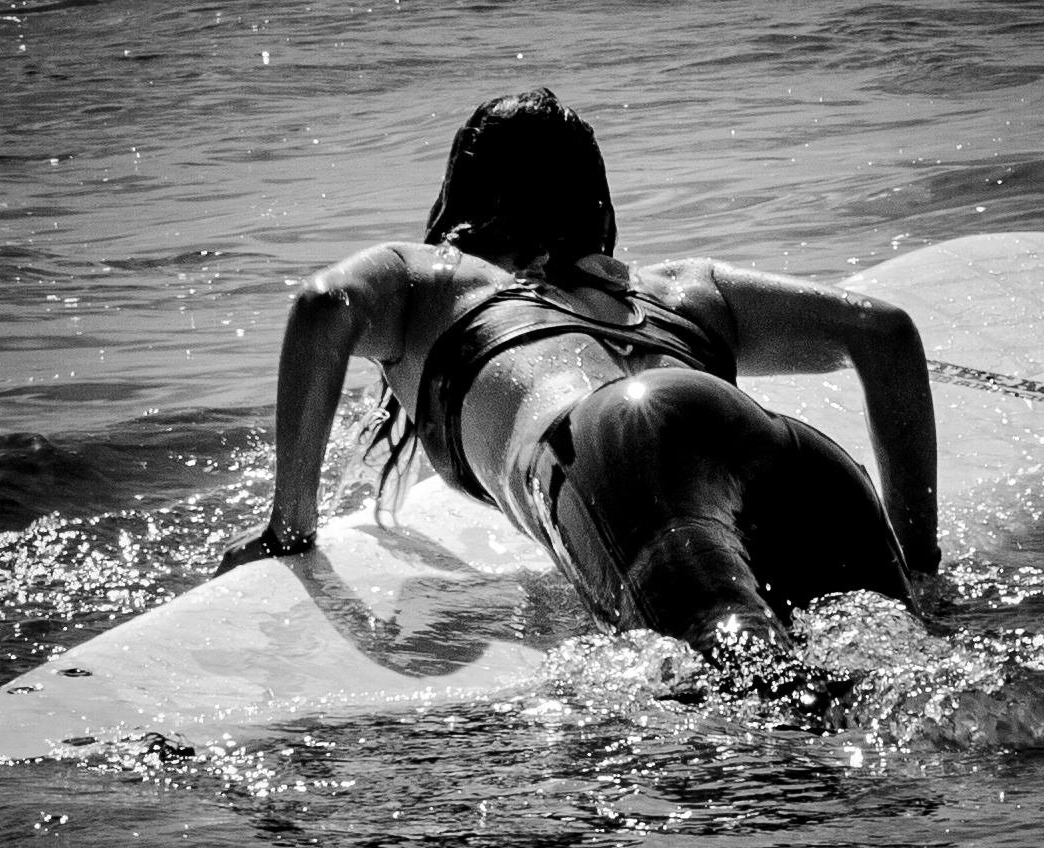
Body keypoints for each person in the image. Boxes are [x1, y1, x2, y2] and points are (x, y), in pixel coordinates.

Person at [217, 87, 939, 662]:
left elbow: (320, 306)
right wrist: (918, 558)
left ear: (460, 197)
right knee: (913, 663)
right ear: (595, 200)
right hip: (783, 452)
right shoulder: (680, 286)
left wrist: (290, 527)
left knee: (749, 683)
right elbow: (885, 333)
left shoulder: (430, 278)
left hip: (610, 449)